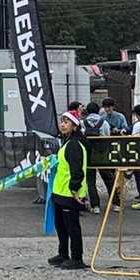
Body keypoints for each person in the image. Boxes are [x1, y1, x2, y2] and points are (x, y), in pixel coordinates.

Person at [47, 110, 89, 270]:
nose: (62, 125)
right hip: (60, 192)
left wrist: (74, 188)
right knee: (61, 226)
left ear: (75, 126)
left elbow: (77, 169)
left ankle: (77, 257)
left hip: (70, 194)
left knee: (72, 227)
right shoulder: (67, 142)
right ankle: (63, 253)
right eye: (62, 122)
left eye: (66, 122)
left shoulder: (74, 145)